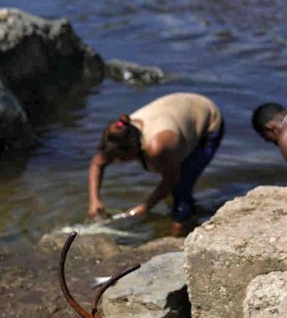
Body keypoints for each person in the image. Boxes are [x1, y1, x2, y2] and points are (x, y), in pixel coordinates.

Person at [87, 92, 224, 237]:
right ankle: (192, 214)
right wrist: (94, 201)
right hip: (178, 113)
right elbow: (97, 164)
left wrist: (146, 206)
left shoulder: (158, 146)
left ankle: (179, 233)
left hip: (207, 120)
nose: (118, 162)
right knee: (171, 185)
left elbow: (172, 178)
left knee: (182, 187)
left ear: (134, 148)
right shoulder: (117, 136)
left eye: (120, 159)